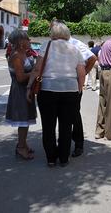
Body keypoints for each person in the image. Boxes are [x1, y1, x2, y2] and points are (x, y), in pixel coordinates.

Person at [27, 21, 85, 167]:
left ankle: (51, 158)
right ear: (67, 33)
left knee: (48, 126)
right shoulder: (75, 48)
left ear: (53, 33)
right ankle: (64, 158)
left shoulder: (46, 46)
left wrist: (29, 87)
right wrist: (79, 88)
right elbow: (81, 73)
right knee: (66, 126)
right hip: (70, 91)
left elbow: (37, 69)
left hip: (47, 89)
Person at [5, 30, 37, 160]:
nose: (30, 41)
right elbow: (20, 78)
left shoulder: (23, 53)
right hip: (20, 91)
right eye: (27, 39)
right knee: (23, 120)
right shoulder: (17, 56)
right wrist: (33, 73)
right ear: (20, 42)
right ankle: (21, 148)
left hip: (24, 90)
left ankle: (23, 144)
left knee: (26, 120)